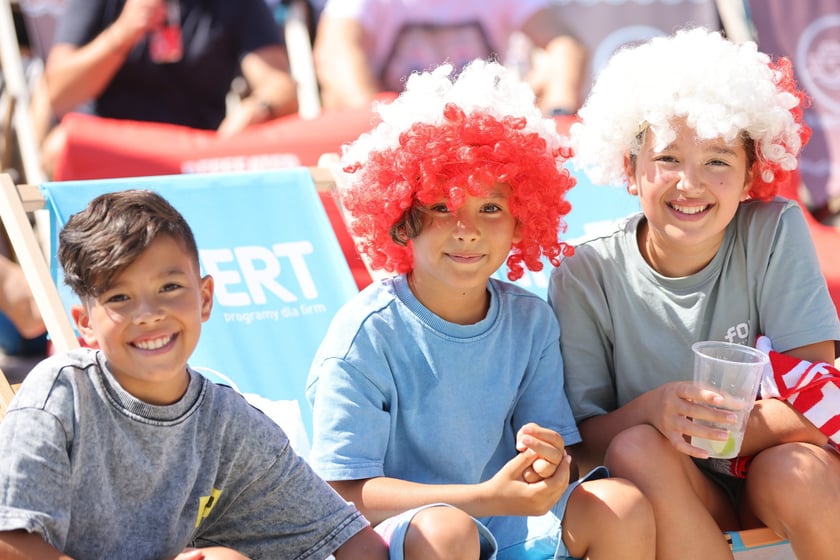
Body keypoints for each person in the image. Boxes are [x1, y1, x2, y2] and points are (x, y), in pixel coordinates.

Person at [306, 60, 654, 560]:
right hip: (408, 537)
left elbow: (555, 451)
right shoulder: (366, 335)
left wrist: (549, 462)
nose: (466, 228)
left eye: (490, 208)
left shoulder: (530, 321)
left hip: (509, 523)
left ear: (520, 222)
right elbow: (344, 492)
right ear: (402, 222)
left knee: (619, 504)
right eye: (443, 207)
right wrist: (481, 498)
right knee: (448, 531)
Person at [548, 27, 840, 560]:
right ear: (630, 170)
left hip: (770, 470)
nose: (690, 183)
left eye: (718, 160)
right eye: (666, 159)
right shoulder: (585, 272)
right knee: (633, 443)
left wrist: (716, 434)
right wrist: (656, 409)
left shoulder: (773, 230)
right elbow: (586, 443)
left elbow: (819, 399)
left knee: (799, 471)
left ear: (753, 173)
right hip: (670, 486)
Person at [0, 189, 388, 559]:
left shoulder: (227, 420)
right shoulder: (64, 394)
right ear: (85, 324)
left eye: (169, 287)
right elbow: (8, 541)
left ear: (204, 298)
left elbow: (348, 535)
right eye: (120, 297)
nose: (149, 313)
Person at [36, 0, 299, 176]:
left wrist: (259, 108)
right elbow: (58, 94)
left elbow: (279, 85)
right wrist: (122, 33)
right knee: (59, 148)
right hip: (115, 145)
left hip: (200, 149)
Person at [312, 0, 586, 116]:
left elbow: (564, 43)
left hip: (483, 139)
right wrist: (377, 121)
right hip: (391, 142)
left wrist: (558, 109)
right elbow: (335, 52)